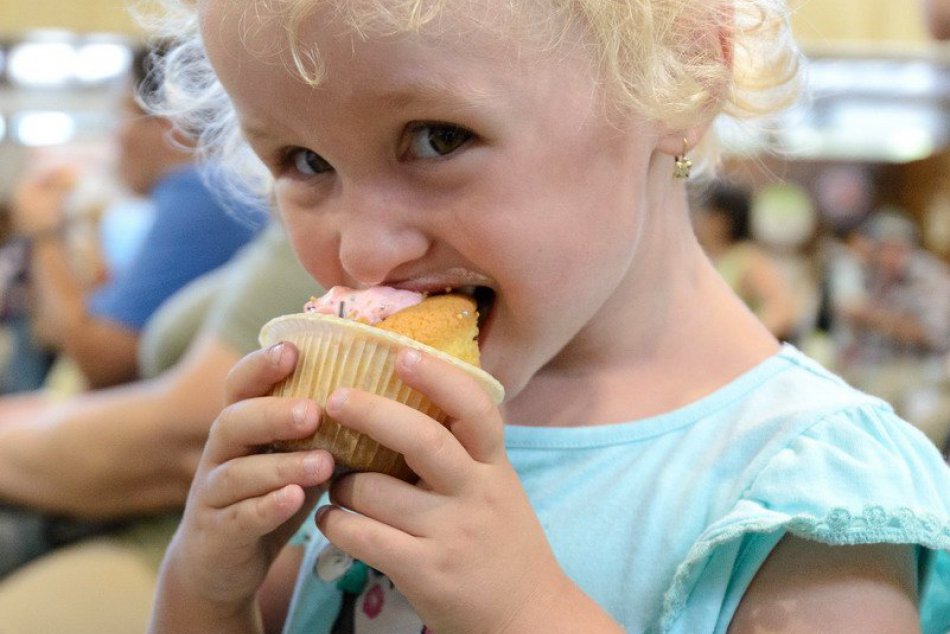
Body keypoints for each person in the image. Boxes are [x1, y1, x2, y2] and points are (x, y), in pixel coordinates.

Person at [145, 1, 950, 633]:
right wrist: (205, 591)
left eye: (438, 138)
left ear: (685, 72)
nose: (363, 251)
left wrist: (525, 612)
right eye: (305, 162)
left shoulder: (803, 494)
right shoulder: (381, 426)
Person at [0, 224, 319, 633]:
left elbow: (102, 358)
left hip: (151, 528)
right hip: (167, 534)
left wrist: (44, 233)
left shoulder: (201, 208)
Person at [7, 44, 264, 390]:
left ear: (169, 122)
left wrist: (43, 232)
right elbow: (53, 329)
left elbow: (101, 361)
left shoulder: (200, 191)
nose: (115, 136)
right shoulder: (209, 192)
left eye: (121, 114)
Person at [837, 209, 950, 447]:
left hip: (915, 366)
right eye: (882, 248)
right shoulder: (870, 271)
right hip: (866, 363)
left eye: (896, 248)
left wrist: (874, 317)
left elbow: (933, 335)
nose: (888, 256)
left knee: (875, 399)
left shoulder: (927, 277)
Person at [692, 181, 798, 339]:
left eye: (706, 213)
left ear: (723, 220)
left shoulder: (746, 258)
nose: (699, 219)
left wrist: (740, 337)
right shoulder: (704, 256)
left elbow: (783, 310)